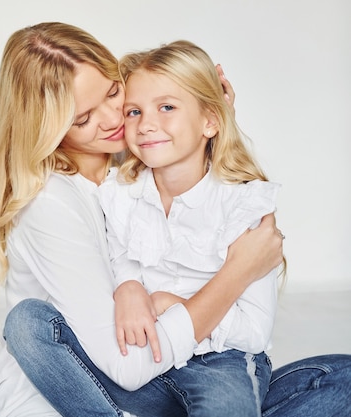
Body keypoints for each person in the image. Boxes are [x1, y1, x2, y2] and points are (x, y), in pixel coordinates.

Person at [0, 22, 351, 417]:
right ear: (47, 127)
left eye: (112, 93)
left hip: (175, 363)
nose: (113, 120)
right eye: (84, 118)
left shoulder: (129, 161)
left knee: (341, 377)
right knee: (28, 323)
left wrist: (210, 116)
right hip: (96, 382)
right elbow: (128, 368)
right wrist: (236, 272)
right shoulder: (50, 203)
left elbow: (196, 166)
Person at [97, 40, 283, 417]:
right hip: (146, 356)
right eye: (133, 111)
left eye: (166, 107)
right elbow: (118, 252)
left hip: (222, 361)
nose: (146, 124)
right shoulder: (120, 192)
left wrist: (173, 305)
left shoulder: (243, 206)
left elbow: (254, 333)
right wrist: (129, 284)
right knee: (36, 329)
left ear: (210, 121)